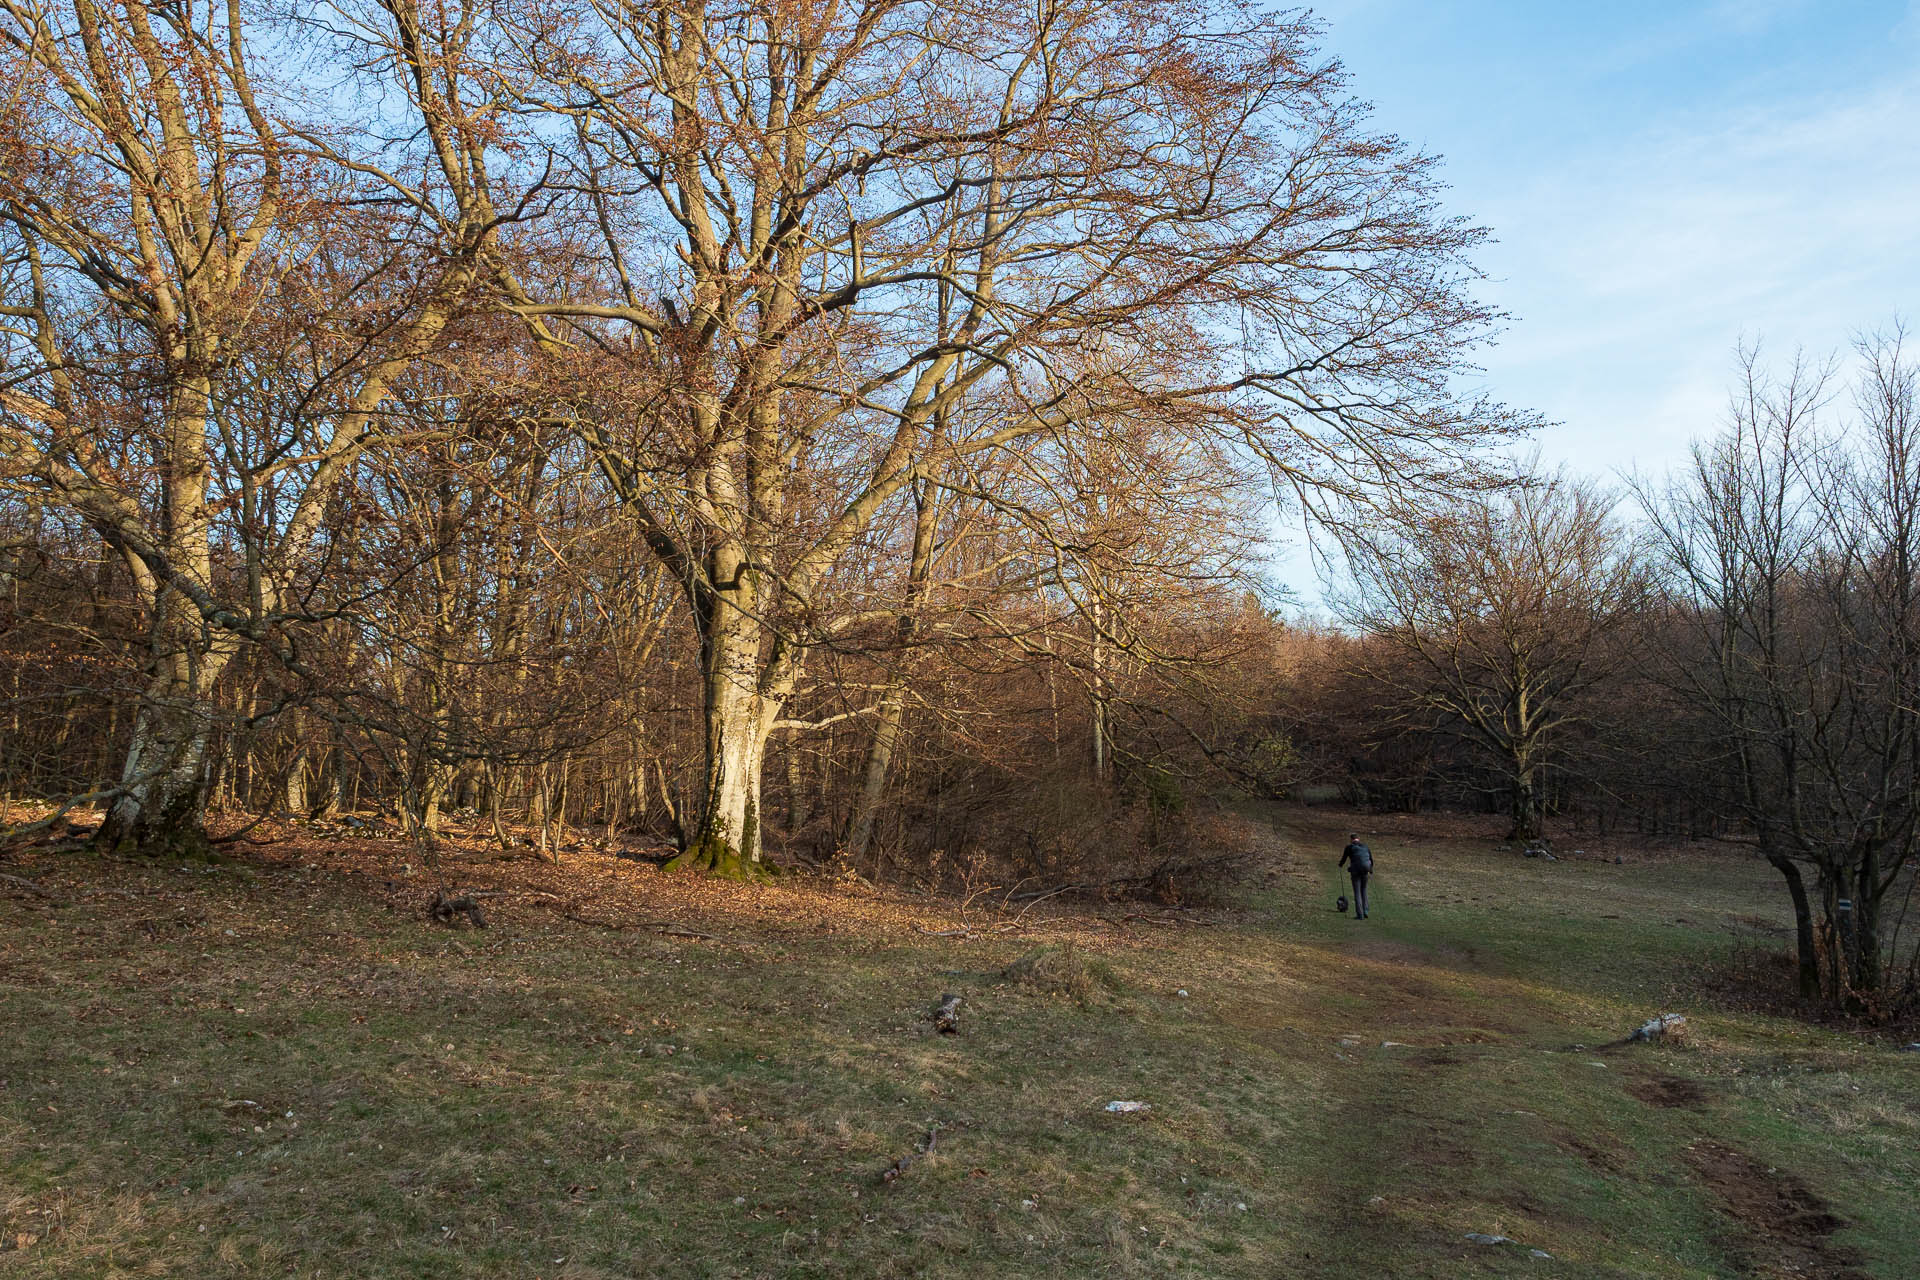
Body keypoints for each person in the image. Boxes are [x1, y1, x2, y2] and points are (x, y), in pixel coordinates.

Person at [1338, 833, 1373, 920]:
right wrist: (1371, 871)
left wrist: (1340, 865)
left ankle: (1360, 915)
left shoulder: (1349, 847)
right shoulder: (1365, 846)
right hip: (1366, 869)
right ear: (1358, 839)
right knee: (1364, 890)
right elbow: (1371, 860)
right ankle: (1365, 911)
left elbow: (1344, 858)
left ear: (1351, 839)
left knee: (1357, 892)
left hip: (1355, 871)